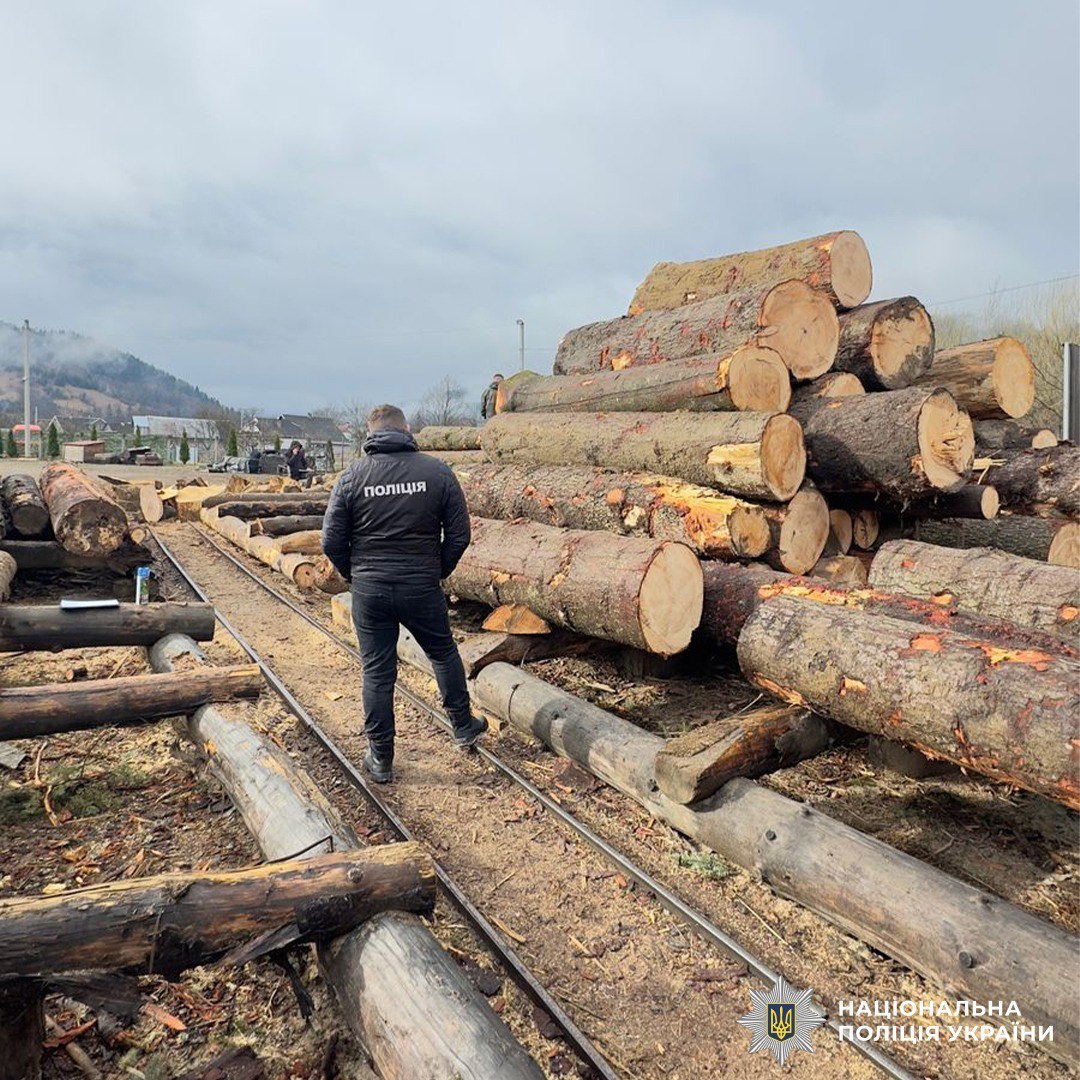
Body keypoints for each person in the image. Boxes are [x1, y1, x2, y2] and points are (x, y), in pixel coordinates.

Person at [321, 404, 486, 783]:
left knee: (377, 670)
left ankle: (380, 758)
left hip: (370, 589)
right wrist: (437, 570)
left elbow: (330, 540)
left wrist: (354, 574)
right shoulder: (438, 473)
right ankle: (462, 725)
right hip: (420, 585)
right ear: (407, 429)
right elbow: (459, 535)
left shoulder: (352, 477)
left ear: (370, 434)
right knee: (443, 653)